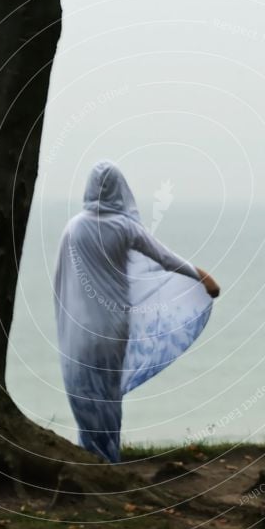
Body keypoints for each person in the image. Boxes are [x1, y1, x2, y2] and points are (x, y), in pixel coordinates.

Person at [53, 160, 219, 462]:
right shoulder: (125, 227)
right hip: (115, 326)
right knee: (108, 393)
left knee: (84, 390)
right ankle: (107, 456)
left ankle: (92, 457)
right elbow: (166, 259)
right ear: (121, 190)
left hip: (80, 328)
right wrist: (202, 276)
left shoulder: (74, 227)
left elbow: (61, 281)